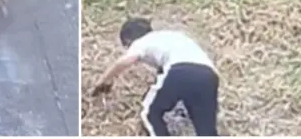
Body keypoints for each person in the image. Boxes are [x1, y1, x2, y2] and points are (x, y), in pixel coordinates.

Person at [91, 18, 220, 136]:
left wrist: (103, 81)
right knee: (206, 130)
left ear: (128, 40)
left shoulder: (141, 42)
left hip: (180, 71)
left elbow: (124, 61)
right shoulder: (171, 37)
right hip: (209, 76)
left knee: (149, 113)